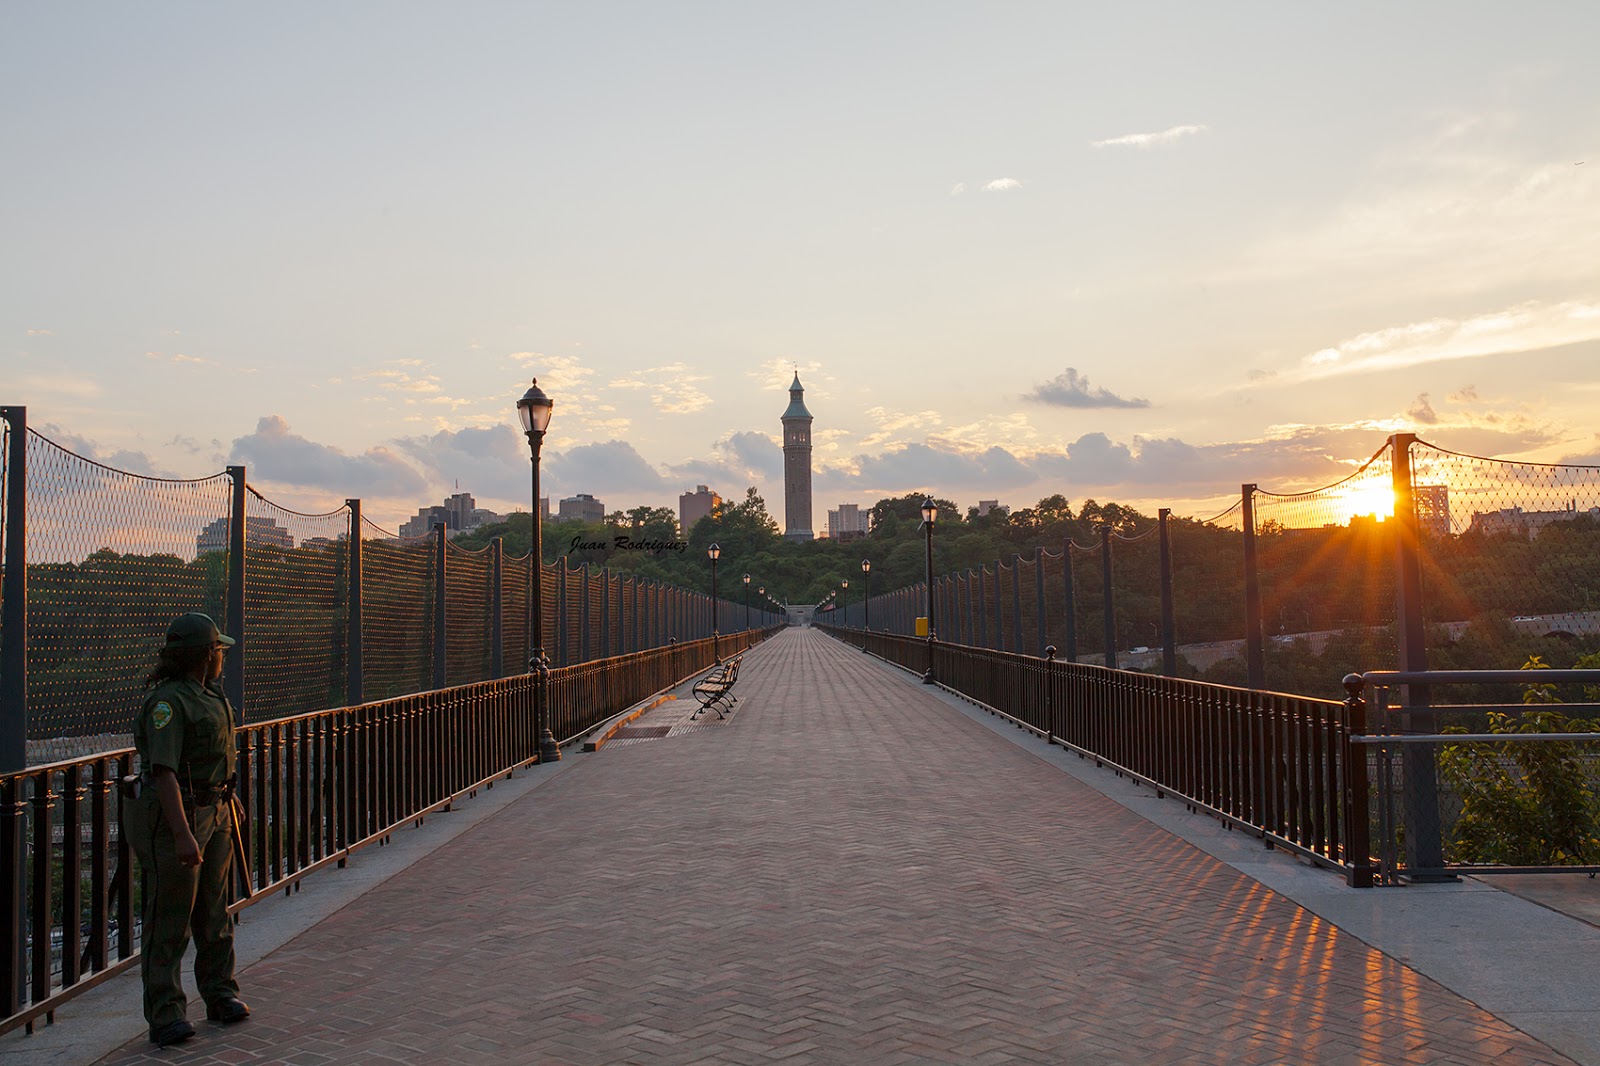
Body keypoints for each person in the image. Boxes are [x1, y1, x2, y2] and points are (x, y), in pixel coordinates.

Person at [123, 612, 251, 1046]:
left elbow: (211, 758)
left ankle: (220, 993)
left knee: (213, 911)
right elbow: (164, 773)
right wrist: (181, 834)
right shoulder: (168, 703)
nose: (222, 657)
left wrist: (228, 797)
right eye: (218, 650)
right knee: (171, 917)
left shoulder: (209, 695)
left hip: (213, 811)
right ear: (204, 654)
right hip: (180, 816)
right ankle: (166, 1012)